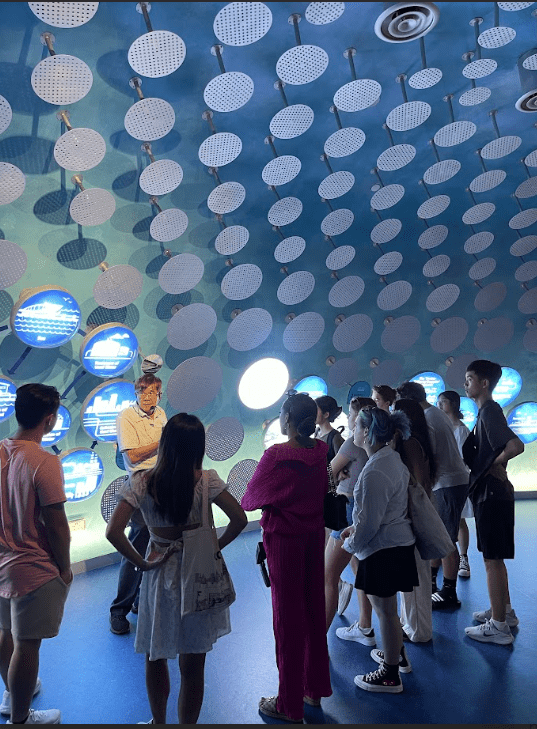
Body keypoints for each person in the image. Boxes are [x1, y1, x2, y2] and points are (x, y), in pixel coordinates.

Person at [106, 413, 247, 724]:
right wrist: (213, 546)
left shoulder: (142, 481)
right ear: (199, 446)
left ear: (166, 443)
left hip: (160, 573)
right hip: (199, 572)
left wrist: (141, 561)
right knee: (194, 665)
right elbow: (239, 519)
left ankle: (159, 722)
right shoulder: (207, 480)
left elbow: (114, 531)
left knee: (156, 655)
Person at [242, 393, 332, 723]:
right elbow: (326, 487)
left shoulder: (276, 455)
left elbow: (250, 498)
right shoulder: (321, 449)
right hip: (313, 537)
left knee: (286, 621)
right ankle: (313, 689)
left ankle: (288, 704)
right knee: (312, 612)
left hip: (283, 543)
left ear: (289, 419)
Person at [0, 384, 71, 725]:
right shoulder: (44, 462)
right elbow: (56, 525)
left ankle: (13, 695)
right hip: (32, 568)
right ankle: (21, 719)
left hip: (0, 564)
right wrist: (66, 568)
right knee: (27, 646)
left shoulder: (0, 450)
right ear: (50, 419)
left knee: (5, 634)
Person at [341, 406, 418, 693]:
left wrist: (349, 543)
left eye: (356, 426)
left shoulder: (374, 470)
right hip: (396, 545)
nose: (353, 431)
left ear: (368, 432)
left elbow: (370, 525)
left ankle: (390, 675)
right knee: (388, 611)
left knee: (384, 611)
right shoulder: (391, 459)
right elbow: (378, 515)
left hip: (382, 551)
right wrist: (356, 529)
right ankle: (396, 656)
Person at [463, 360, 524, 645]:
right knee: (495, 558)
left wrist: (491, 465)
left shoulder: (489, 411)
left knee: (491, 559)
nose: (466, 384)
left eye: (470, 378)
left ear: (484, 383)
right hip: (494, 494)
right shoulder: (485, 412)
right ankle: (505, 612)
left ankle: (499, 626)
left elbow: (515, 446)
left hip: (492, 494)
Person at [396, 381, 469, 610]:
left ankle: (449, 592)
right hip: (450, 481)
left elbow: (429, 455)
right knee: (440, 534)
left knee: (446, 539)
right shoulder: (435, 413)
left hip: (446, 483)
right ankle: (435, 585)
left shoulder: (427, 418)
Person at [110, 374, 167, 635]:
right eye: (141, 391)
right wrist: (163, 442)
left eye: (151, 392)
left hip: (163, 483)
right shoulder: (126, 417)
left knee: (159, 545)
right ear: (135, 394)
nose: (146, 396)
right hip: (140, 485)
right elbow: (131, 456)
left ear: (159, 394)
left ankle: (138, 601)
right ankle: (119, 610)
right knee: (137, 548)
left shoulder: (162, 414)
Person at [325, 397, 374, 638]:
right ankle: (364, 625)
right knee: (360, 570)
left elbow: (328, 473)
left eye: (351, 415)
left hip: (346, 511)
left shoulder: (352, 442)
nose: (348, 419)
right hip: (362, 510)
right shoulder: (376, 442)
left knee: (328, 576)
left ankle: (317, 639)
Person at [393, 399, 436, 643]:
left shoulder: (410, 442)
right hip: (414, 512)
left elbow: (422, 482)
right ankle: (411, 624)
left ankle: (419, 629)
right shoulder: (415, 440)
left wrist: (414, 510)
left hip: (414, 513)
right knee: (411, 573)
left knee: (417, 574)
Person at [437, 391, 472, 579]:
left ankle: (463, 557)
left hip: (457, 480)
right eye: (439, 402)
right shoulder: (440, 427)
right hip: (442, 481)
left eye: (443, 402)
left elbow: (466, 457)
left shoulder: (461, 430)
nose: (440, 405)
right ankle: (447, 556)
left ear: (454, 404)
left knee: (459, 520)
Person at [315, 395, 344, 463]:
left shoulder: (335, 437)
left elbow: (340, 464)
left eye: (316, 410)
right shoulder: (317, 431)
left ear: (326, 415)